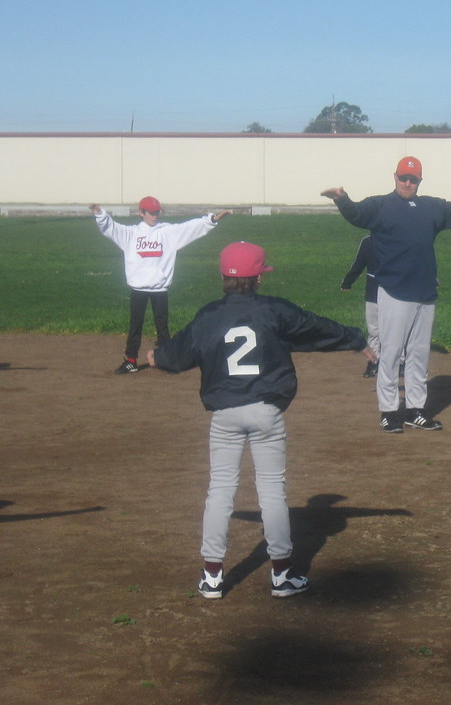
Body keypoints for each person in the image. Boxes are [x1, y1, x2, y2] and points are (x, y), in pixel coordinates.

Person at [148, 241, 376, 599]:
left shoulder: (210, 315)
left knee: (220, 491)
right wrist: (355, 339)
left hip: (225, 414)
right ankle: (282, 577)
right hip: (266, 413)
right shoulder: (275, 311)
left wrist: (155, 357)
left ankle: (211, 578)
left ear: (224, 276)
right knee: (272, 492)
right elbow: (315, 326)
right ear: (258, 278)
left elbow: (177, 356)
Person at [321, 156, 451, 434]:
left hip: (425, 292)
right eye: (403, 178)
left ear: (420, 181)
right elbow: (356, 214)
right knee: (391, 354)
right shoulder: (380, 205)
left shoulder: (431, 207)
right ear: (394, 177)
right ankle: (389, 411)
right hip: (394, 291)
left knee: (419, 355)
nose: (407, 183)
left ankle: (416, 410)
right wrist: (342, 200)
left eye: (413, 179)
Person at [90, 197, 230, 374]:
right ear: (141, 213)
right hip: (138, 288)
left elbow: (189, 228)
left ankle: (167, 360)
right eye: (151, 212)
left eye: (157, 212)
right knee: (135, 326)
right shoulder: (130, 234)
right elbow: (111, 228)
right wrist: (100, 214)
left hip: (160, 288)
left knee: (162, 327)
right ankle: (131, 361)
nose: (154, 216)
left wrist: (210, 221)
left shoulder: (167, 232)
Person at [340, 234, 380, 378]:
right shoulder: (368, 241)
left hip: (395, 291)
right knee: (374, 330)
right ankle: (374, 361)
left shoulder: (399, 238)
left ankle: (400, 362)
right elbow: (359, 262)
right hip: (373, 292)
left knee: (395, 330)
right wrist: (348, 281)